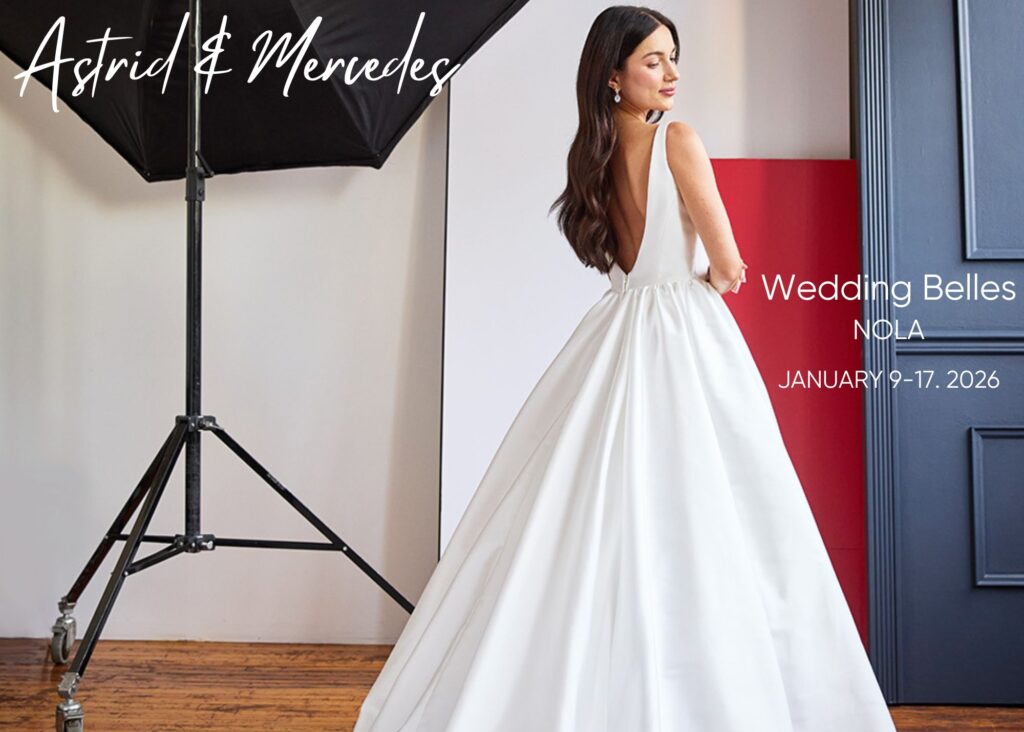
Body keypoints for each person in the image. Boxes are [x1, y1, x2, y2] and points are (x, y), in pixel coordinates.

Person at [354, 6, 897, 731]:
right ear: (614, 75)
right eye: (652, 61)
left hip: (617, 331)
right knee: (712, 506)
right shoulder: (680, 139)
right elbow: (730, 265)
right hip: (684, 331)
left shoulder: (594, 154)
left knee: (601, 506)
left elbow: (620, 257)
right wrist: (707, 282)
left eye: (673, 58)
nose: (671, 74)